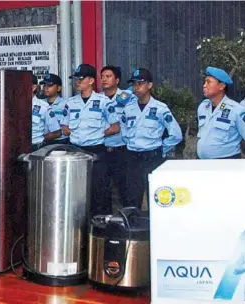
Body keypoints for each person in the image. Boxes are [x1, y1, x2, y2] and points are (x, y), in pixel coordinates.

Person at [61, 63, 120, 216]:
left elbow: (115, 127)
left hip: (96, 152)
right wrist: (74, 133)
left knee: (100, 192)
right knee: (76, 192)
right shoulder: (70, 103)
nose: (77, 82)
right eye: (76, 79)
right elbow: (64, 127)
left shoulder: (104, 102)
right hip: (75, 151)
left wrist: (98, 134)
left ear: (91, 81)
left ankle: (101, 231)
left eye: (81, 79)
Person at [122, 68, 183, 209]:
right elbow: (123, 128)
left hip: (152, 157)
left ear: (150, 85)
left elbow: (176, 134)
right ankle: (133, 228)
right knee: (132, 197)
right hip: (132, 158)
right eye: (134, 84)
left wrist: (162, 148)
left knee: (155, 197)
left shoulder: (160, 108)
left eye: (140, 84)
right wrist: (130, 142)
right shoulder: (128, 108)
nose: (136, 88)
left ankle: (154, 229)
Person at [196, 66, 245, 159]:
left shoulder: (236, 110)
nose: (204, 85)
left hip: (226, 164)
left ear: (221, 86)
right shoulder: (203, 107)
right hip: (202, 163)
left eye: (209, 82)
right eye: (204, 81)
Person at [100, 65, 132, 207]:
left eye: (108, 76)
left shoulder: (127, 97)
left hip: (121, 149)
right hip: (103, 148)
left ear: (117, 80)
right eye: (102, 77)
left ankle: (128, 222)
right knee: (102, 190)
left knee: (125, 189)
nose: (104, 79)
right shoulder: (97, 99)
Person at [31, 74, 61, 151]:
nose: (46, 88)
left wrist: (40, 139)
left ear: (33, 87)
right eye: (44, 85)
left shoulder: (44, 107)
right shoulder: (14, 105)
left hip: (36, 147)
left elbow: (57, 132)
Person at [41, 73, 68, 144]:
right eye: (44, 85)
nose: (46, 88)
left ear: (58, 88)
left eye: (50, 85)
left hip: (61, 142)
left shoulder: (66, 104)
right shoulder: (40, 104)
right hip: (42, 142)